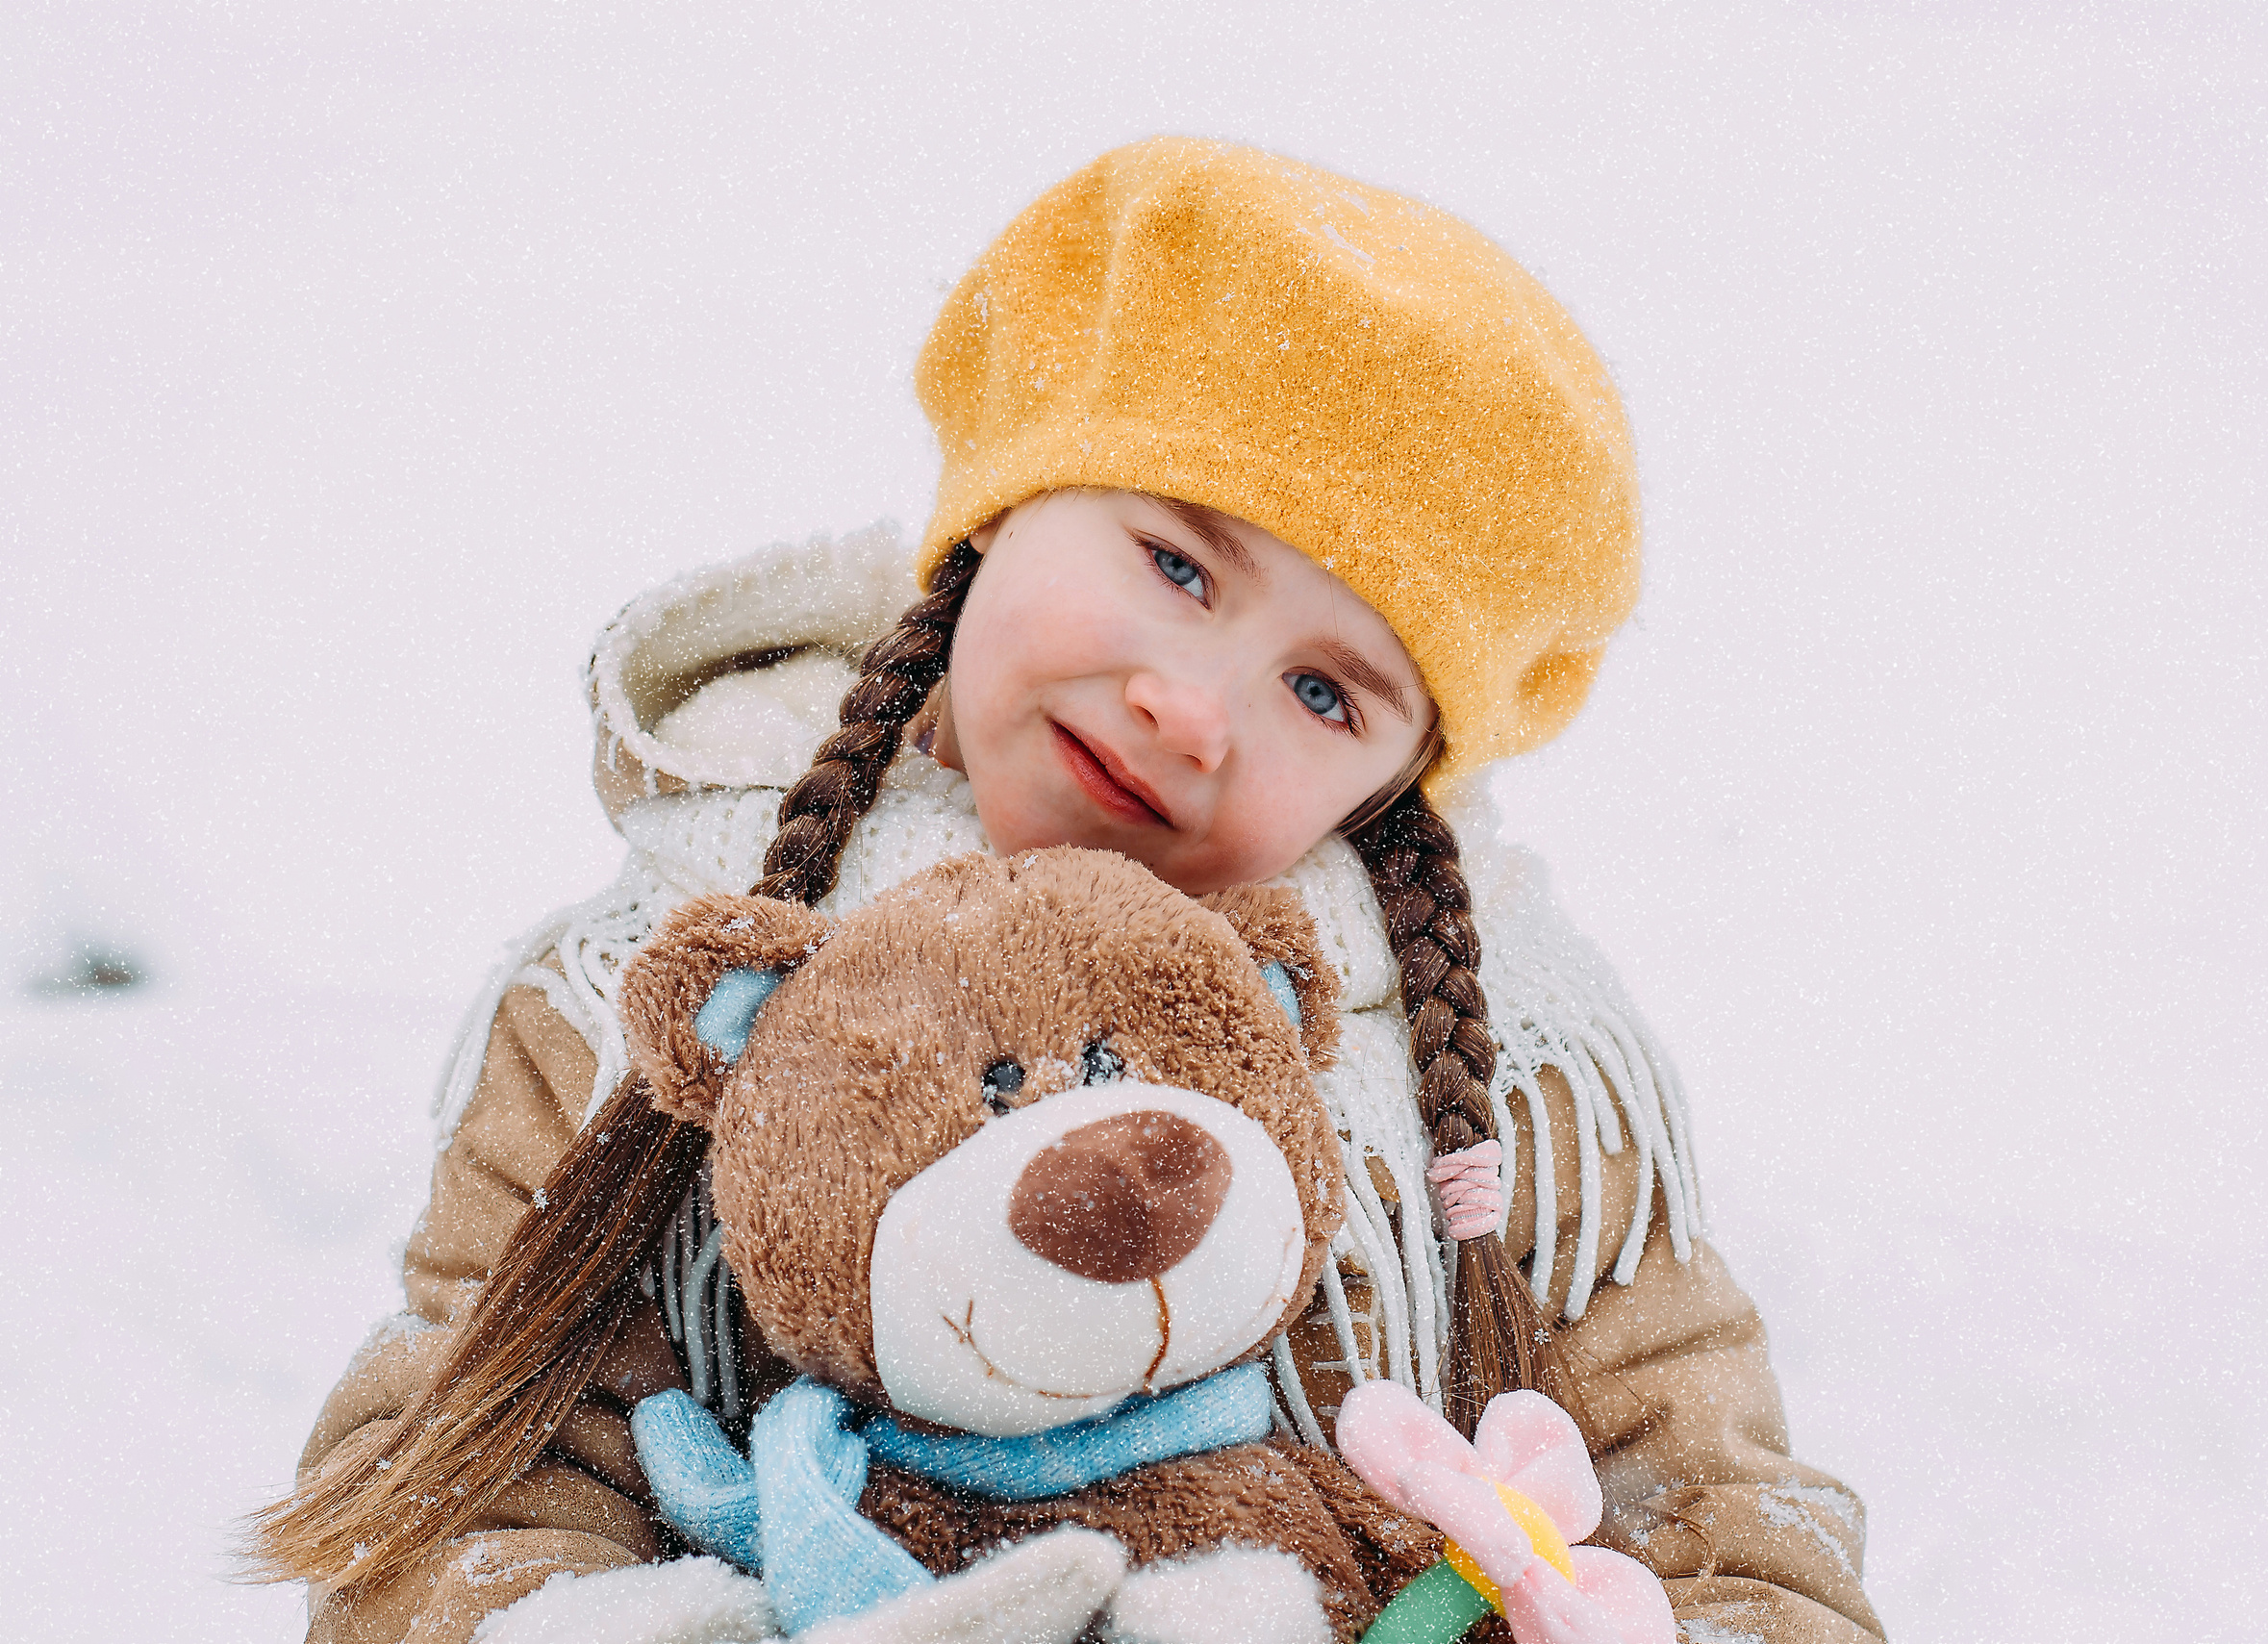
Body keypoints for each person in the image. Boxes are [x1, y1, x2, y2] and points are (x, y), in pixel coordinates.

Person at [249, 139, 1887, 1644]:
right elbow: (456, 1492)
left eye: (1327, 693)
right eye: (1175, 565)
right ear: (1003, 507)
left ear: (1395, 781)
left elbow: (1726, 1524)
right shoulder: (638, 992)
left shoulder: (1509, 1088)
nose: (1196, 708)